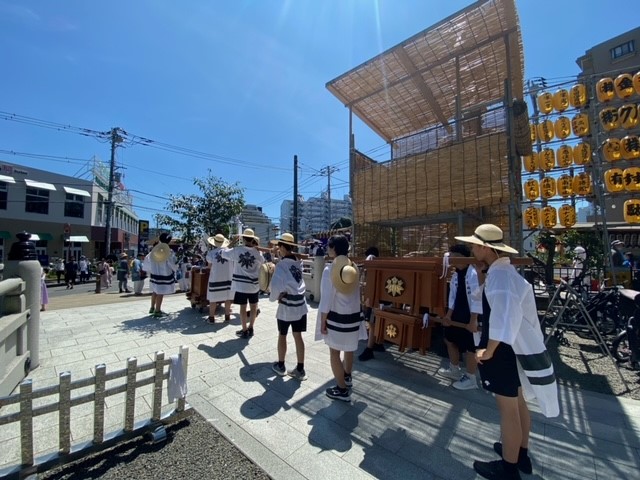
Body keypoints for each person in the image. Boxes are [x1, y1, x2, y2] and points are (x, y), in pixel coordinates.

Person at [455, 224, 559, 480]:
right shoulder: (503, 272)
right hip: (513, 348)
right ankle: (520, 453)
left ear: (484, 247)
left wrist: (488, 351)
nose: (471, 247)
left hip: (502, 350)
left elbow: (504, 318)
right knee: (518, 402)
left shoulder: (500, 277)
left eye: (474, 244)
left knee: (508, 409)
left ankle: (508, 467)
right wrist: (482, 276)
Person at [315, 234, 367, 402]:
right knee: (349, 349)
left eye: (329, 247)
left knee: (334, 353)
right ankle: (347, 377)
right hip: (353, 318)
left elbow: (326, 300)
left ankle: (342, 389)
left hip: (337, 318)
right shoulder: (353, 267)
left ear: (334, 248)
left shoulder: (330, 270)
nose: (328, 250)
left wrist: (323, 322)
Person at [435, 243, 482, 390]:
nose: (451, 260)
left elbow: (477, 298)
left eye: (454, 257)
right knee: (449, 340)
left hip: (470, 315)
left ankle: (471, 377)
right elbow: (452, 298)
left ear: (463, 258)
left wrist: (473, 320)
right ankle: (454, 370)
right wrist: (448, 316)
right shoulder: (456, 275)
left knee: (470, 347)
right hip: (456, 314)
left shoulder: (473, 273)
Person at [269, 233, 309, 381]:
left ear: (282, 248)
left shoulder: (281, 266)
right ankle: (300, 368)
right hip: (301, 305)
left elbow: (275, 287)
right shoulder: (299, 263)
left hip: (287, 305)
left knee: (283, 335)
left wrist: (275, 297)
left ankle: (281, 365)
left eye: (279, 247)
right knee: (298, 336)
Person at [221, 228, 265, 338]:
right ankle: (251, 327)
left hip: (241, 285)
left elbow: (223, 253)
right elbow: (262, 263)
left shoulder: (237, 250)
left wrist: (232, 242)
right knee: (254, 307)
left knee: (243, 308)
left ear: (243, 238)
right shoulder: (257, 253)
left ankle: (244, 329)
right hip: (253, 285)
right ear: (253, 239)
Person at [358, 246, 385, 362]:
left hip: (374, 299)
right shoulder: (381, 267)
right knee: (376, 322)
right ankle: (378, 343)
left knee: (372, 323)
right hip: (380, 299)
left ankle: (369, 349)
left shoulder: (373, 265)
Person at [143, 233, 177, 318]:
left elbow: (147, 262)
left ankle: (152, 307)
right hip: (164, 274)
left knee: (155, 291)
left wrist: (152, 270)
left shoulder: (153, 250)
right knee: (160, 292)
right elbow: (171, 263)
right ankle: (157, 310)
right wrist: (176, 268)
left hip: (154, 274)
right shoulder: (168, 251)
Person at [206, 234, 234, 323]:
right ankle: (227, 316)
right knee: (227, 298)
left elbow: (209, 267)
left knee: (213, 299)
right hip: (228, 278)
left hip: (215, 278)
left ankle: (211, 318)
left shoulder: (211, 253)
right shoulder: (230, 252)